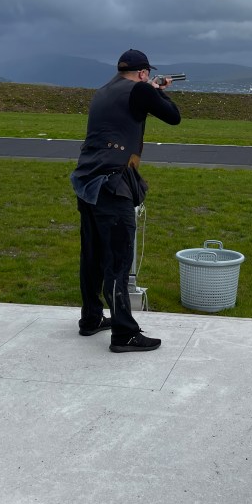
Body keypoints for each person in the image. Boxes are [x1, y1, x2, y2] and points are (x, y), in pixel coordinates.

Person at [70, 49, 181, 353]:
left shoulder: (103, 91)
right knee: (118, 262)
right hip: (113, 185)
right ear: (143, 73)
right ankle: (124, 333)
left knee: (92, 257)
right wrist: (159, 91)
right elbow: (174, 117)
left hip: (87, 182)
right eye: (148, 75)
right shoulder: (141, 90)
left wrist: (150, 90)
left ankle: (91, 318)